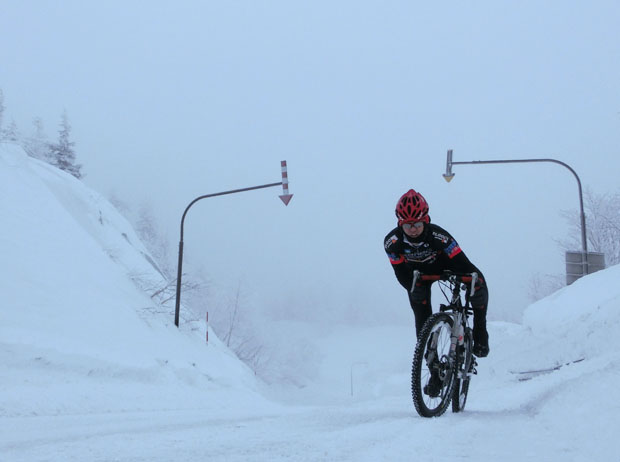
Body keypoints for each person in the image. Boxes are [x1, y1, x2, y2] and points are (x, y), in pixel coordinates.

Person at [384, 189, 490, 358]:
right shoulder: (392, 243)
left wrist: (473, 283)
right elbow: (401, 273)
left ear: (425, 220)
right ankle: (429, 360)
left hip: (447, 265)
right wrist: (411, 287)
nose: (412, 230)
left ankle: (480, 331)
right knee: (419, 306)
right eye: (407, 225)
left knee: (479, 283)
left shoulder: (439, 236)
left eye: (417, 225)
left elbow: (465, 265)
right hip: (418, 275)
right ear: (400, 223)